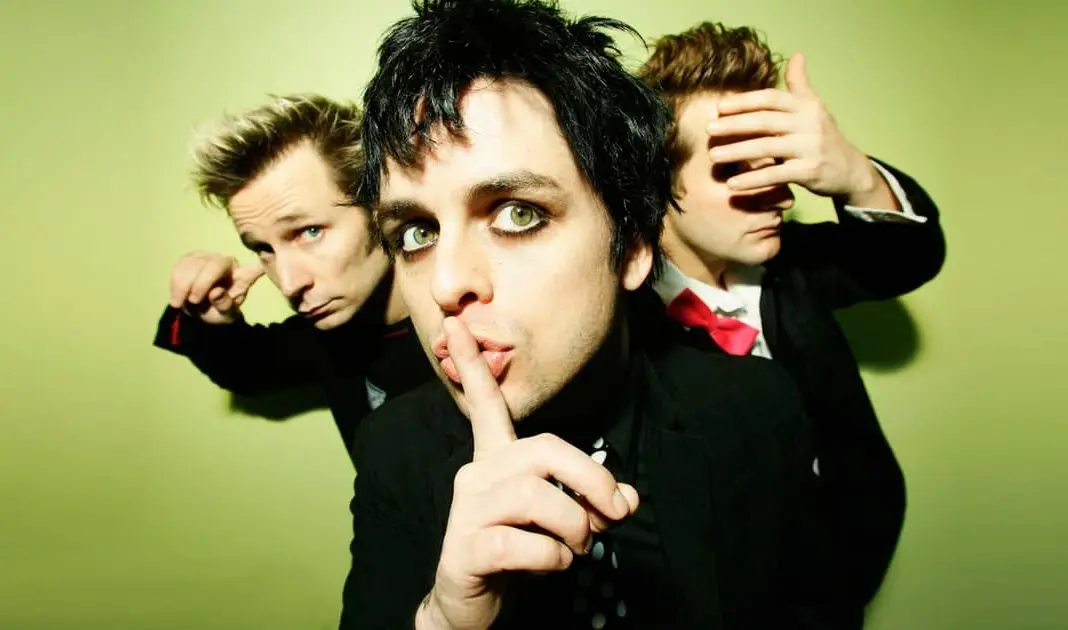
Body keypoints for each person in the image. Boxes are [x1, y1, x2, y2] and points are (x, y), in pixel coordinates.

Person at [339, 2, 837, 628]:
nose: (445, 284)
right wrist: (444, 619)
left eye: (517, 213)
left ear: (632, 247)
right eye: (417, 232)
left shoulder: (757, 411)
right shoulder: (392, 450)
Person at [635, 22, 947, 625]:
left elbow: (910, 259)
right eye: (736, 170)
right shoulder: (618, 321)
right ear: (657, 184)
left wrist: (856, 174)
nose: (778, 195)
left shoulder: (794, 267)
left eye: (777, 165)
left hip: (840, 586)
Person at [152, 94, 434, 463]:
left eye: (309, 231)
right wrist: (210, 315)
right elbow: (249, 370)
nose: (288, 284)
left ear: (378, 204)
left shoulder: (475, 318)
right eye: (262, 248)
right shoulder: (335, 334)